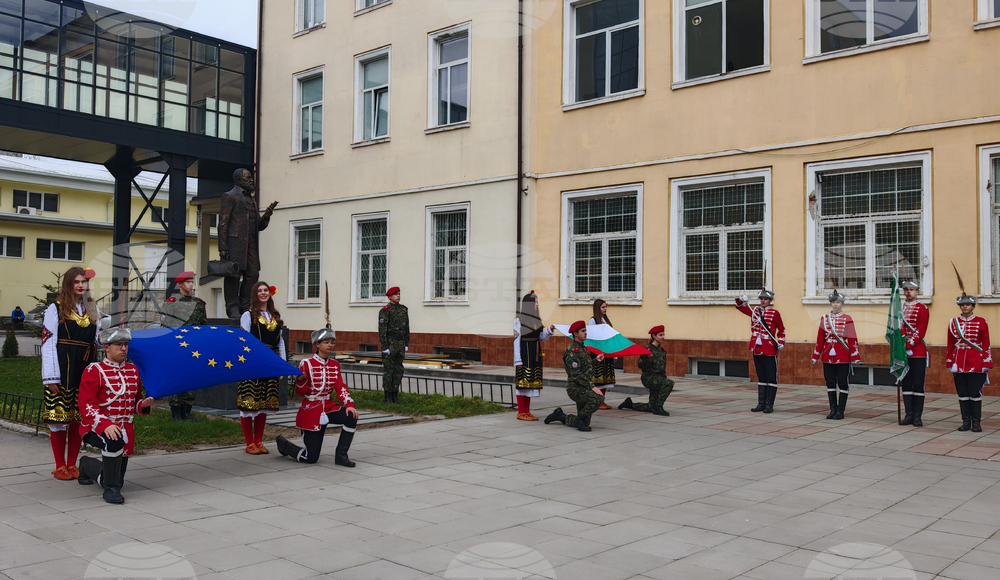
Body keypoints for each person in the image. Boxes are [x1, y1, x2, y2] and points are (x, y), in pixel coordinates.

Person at [76, 327, 153, 504]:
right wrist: (105, 425)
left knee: (119, 479)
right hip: (95, 425)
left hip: (125, 427)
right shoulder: (94, 370)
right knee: (114, 447)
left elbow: (134, 403)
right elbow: (86, 405)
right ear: (106, 347)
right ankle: (110, 489)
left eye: (125, 344)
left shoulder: (133, 370)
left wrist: (142, 405)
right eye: (118, 344)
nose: (123, 348)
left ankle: (86, 465)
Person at [41, 267, 101, 480]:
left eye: (84, 282)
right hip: (63, 366)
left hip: (85, 366)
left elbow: (97, 340)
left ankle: (72, 464)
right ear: (68, 284)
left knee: (78, 417)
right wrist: (51, 376)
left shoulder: (92, 308)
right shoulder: (55, 308)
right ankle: (60, 465)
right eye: (76, 282)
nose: (81, 285)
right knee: (59, 419)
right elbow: (48, 343)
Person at [275, 328, 358, 466]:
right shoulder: (306, 363)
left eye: (332, 342)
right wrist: (301, 381)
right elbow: (300, 393)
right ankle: (284, 445)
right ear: (317, 344)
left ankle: (341, 455)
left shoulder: (335, 365)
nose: (330, 345)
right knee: (310, 458)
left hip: (329, 408)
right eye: (326, 342)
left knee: (351, 416)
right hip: (311, 410)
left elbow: (340, 387)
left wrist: (349, 405)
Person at [218, 168, 278, 318]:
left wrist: (267, 216)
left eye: (251, 178)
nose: (251, 181)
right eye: (248, 178)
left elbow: (258, 225)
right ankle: (232, 308)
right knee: (233, 276)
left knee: (253, 274)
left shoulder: (252, 200)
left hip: (251, 244)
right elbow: (223, 223)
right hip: (235, 244)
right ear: (239, 180)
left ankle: (245, 305)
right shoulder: (229, 196)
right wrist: (223, 247)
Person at [238, 282, 286, 454]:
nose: (263, 293)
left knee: (264, 403)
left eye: (265, 290)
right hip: (253, 362)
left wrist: (282, 363)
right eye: (259, 290)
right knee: (249, 404)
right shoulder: (248, 315)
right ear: (254, 294)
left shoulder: (275, 316)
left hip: (270, 362)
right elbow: (244, 340)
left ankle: (258, 441)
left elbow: (280, 342)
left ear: (270, 293)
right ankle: (249, 442)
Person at [161, 271, 208, 421]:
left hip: (193, 346)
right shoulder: (172, 302)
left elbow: (203, 326)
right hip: (176, 345)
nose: (190, 284)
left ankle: (187, 411)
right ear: (180, 284)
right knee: (176, 376)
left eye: (192, 282)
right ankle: (175, 411)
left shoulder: (199, 303)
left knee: (191, 377)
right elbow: (165, 325)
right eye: (187, 282)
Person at [544, 321, 605, 432]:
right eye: (583, 331)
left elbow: (584, 367)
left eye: (585, 330)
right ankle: (579, 420)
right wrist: (592, 386)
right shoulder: (573, 351)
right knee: (598, 398)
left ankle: (560, 416)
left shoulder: (582, 348)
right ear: (575, 334)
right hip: (576, 388)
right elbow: (575, 374)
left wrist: (595, 360)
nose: (585, 333)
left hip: (583, 386)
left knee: (585, 422)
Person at [947, 288, 992, 433]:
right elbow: (950, 343)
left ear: (973, 306)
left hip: (976, 360)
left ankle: (976, 422)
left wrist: (986, 361)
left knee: (974, 392)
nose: (965, 307)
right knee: (962, 392)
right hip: (959, 361)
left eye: (967, 305)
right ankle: (966, 421)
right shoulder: (953, 322)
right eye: (962, 305)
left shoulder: (981, 321)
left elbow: (986, 343)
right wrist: (949, 361)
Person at [811, 290, 861, 420]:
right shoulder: (824, 318)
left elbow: (852, 338)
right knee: (830, 382)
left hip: (842, 354)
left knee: (843, 383)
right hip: (828, 354)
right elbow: (820, 337)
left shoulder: (847, 318)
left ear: (842, 304)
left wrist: (855, 355)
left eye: (838, 302)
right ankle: (833, 409)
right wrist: (816, 355)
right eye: (833, 302)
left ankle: (840, 410)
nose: (835, 305)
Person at [735, 287, 785, 413]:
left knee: (771, 376)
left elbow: (781, 330)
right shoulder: (755, 311)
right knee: (761, 375)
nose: (763, 301)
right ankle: (761, 403)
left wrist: (781, 342)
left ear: (770, 301)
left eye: (765, 299)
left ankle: (769, 405)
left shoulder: (775, 313)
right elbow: (740, 307)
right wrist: (741, 299)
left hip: (769, 347)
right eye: (761, 299)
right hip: (757, 347)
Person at [513, 291, 556, 421]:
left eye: (537, 302)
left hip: (535, 353)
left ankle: (527, 411)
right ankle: (521, 412)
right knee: (523, 383)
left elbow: (540, 337)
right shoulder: (519, 321)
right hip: (525, 353)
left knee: (530, 383)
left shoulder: (536, 321)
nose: (536, 304)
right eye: (535, 302)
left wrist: (549, 330)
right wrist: (518, 360)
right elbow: (516, 340)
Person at [619, 325, 673, 416]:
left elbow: (662, 368)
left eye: (663, 334)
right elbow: (640, 365)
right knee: (669, 383)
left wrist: (663, 379)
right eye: (660, 335)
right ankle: (659, 406)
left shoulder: (662, 351)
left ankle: (629, 404)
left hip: (659, 378)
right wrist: (646, 358)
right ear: (653, 336)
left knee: (651, 407)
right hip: (649, 378)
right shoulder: (647, 350)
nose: (663, 337)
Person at [899, 280, 929, 426]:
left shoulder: (922, 308)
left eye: (911, 289)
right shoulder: (899, 308)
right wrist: (899, 346)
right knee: (906, 383)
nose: (908, 292)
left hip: (917, 350)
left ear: (917, 291)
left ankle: (917, 416)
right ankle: (909, 414)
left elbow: (921, 330)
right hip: (902, 351)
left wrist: (909, 345)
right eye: (906, 289)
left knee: (917, 383)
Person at [378, 286, 409, 404]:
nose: (398, 296)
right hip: (390, 345)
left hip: (400, 345)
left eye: (399, 294)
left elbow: (406, 328)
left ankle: (395, 395)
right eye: (396, 294)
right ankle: (387, 396)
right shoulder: (385, 311)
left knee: (398, 370)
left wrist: (406, 343)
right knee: (389, 371)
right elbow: (382, 331)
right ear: (390, 297)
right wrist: (384, 347)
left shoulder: (403, 309)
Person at [588, 299, 616, 410]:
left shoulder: (606, 320)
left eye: (605, 307)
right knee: (598, 378)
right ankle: (596, 400)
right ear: (597, 308)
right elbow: (592, 336)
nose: (605, 309)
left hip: (607, 351)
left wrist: (614, 354)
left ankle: (602, 400)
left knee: (605, 378)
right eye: (603, 307)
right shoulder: (593, 320)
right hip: (598, 352)